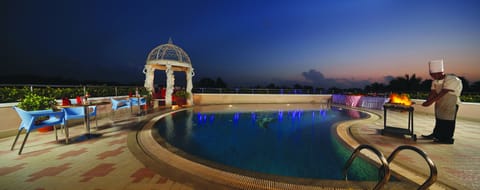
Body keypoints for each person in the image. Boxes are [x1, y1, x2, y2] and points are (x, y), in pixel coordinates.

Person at [421, 59, 463, 144]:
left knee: (448, 121)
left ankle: (447, 139)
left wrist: (430, 102)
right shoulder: (434, 81)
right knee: (439, 120)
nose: (433, 77)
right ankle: (436, 135)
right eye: (431, 75)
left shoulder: (452, 79)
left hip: (450, 104)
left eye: (434, 74)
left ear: (441, 72)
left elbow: (443, 92)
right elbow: (432, 93)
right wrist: (427, 101)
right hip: (440, 103)